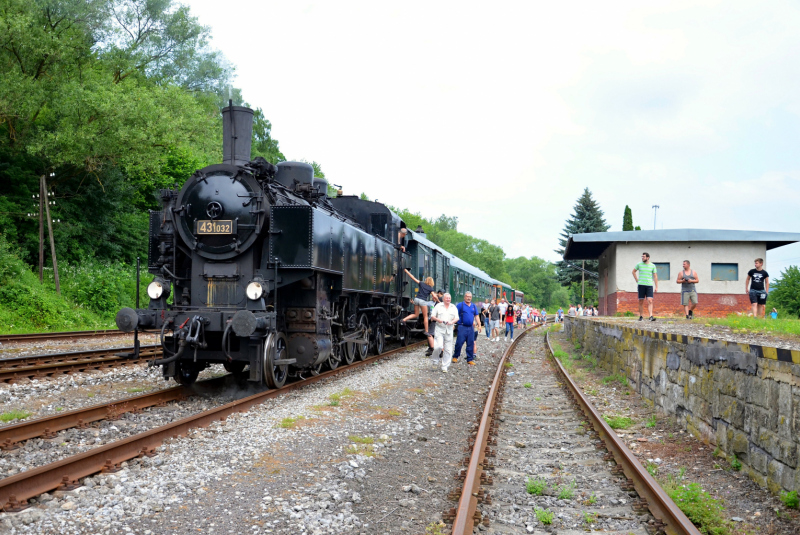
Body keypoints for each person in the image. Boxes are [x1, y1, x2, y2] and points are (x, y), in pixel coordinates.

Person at [402, 269, 438, 335]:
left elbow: (413, 278)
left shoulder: (421, 283)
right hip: (422, 301)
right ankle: (426, 331)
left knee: (416, 314)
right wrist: (439, 301)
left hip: (416, 299)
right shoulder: (430, 288)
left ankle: (404, 319)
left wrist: (406, 271)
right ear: (432, 282)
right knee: (425, 316)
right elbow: (434, 296)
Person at [430, 293, 459, 373]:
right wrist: (438, 320)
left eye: (449, 298)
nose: (448, 299)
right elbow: (432, 316)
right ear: (443, 299)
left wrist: (451, 322)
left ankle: (445, 366)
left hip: (449, 330)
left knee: (448, 349)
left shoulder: (453, 307)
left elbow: (457, 318)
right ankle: (435, 361)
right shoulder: (438, 306)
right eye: (447, 298)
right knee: (438, 346)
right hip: (439, 329)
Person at [453, 292, 479, 366]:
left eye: (470, 297)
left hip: (471, 327)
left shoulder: (473, 306)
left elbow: (476, 315)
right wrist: (454, 324)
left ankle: (469, 359)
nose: (469, 298)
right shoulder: (460, 305)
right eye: (467, 296)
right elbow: (455, 315)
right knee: (459, 342)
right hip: (462, 326)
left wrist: (479, 324)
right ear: (464, 297)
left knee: (470, 343)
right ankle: (455, 356)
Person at [632, 252, 658, 321]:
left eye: (643, 256)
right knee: (641, 301)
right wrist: (637, 280)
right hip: (641, 285)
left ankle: (651, 316)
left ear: (648, 258)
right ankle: (641, 316)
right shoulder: (639, 264)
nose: (642, 258)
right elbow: (633, 272)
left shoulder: (652, 265)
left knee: (650, 300)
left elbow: (655, 276)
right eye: (642, 256)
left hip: (649, 285)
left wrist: (656, 286)